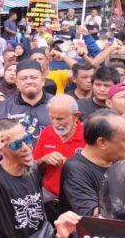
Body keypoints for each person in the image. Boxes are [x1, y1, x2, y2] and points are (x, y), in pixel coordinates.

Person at [0, 119, 49, 237]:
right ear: (1, 150)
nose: (26, 147)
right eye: (17, 144)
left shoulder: (32, 169)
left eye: (27, 139)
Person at [59, 109, 125, 216]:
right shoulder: (76, 170)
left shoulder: (117, 159)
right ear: (102, 143)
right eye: (124, 140)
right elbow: (94, 217)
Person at [32, 94, 85, 222]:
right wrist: (45, 159)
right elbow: (33, 164)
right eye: (52, 118)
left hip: (78, 198)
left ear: (76, 116)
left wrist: (73, 165)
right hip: (49, 196)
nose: (56, 123)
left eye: (61, 119)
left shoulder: (87, 135)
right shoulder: (47, 132)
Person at [0, 59, 52, 140]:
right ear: (17, 83)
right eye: (23, 78)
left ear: (43, 81)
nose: (29, 81)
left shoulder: (58, 105)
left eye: (34, 77)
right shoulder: (3, 109)